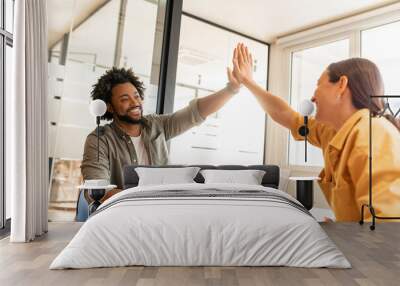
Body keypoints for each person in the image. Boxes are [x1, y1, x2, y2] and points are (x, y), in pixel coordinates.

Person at [232, 43, 400, 222]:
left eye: (319, 84)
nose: (312, 97)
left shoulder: (373, 134)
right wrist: (248, 82)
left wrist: (343, 237)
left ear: (341, 85)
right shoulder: (332, 132)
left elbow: (387, 231)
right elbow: (288, 117)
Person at [79, 65, 241, 210]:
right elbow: (98, 192)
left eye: (136, 96)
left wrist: (231, 89)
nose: (135, 102)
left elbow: (195, 113)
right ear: (109, 107)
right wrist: (150, 199)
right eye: (125, 99)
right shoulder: (99, 140)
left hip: (163, 210)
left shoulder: (156, 125)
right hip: (124, 214)